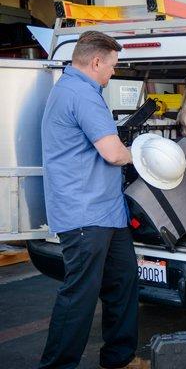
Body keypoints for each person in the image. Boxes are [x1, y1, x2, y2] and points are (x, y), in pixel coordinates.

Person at [39, 31, 139, 369]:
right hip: (85, 216)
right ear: (96, 61)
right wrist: (140, 154)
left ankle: (119, 360)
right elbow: (112, 153)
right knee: (79, 297)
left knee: (123, 283)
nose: (114, 72)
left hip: (107, 212)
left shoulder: (73, 89)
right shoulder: (81, 94)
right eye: (112, 66)